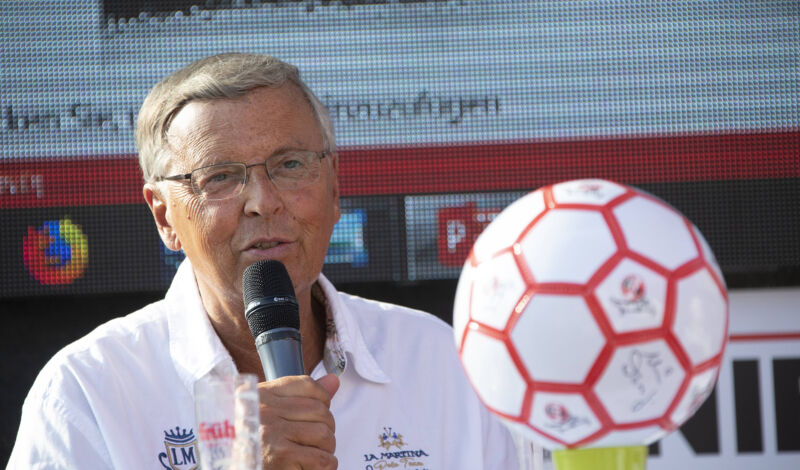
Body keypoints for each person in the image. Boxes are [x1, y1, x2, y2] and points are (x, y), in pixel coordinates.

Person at [8, 53, 519, 469]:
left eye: (291, 164)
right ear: (164, 217)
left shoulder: (444, 363)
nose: (263, 201)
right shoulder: (86, 391)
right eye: (220, 176)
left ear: (335, 187)